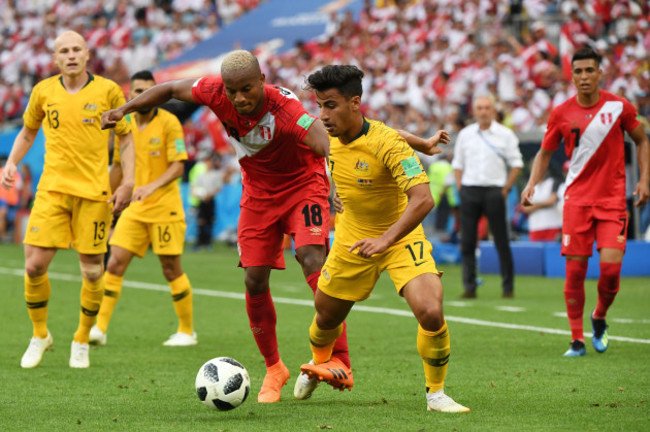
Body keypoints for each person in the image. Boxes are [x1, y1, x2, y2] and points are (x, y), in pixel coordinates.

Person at [101, 49, 348, 403]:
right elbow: (169, 88)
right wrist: (123, 109)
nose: (240, 98)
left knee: (311, 258)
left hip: (302, 184)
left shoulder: (285, 107)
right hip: (258, 192)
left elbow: (324, 142)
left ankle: (338, 358)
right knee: (253, 278)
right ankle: (275, 368)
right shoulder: (214, 91)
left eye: (247, 89)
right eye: (233, 91)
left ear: (262, 81)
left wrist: (334, 184)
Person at [298, 65, 469, 413]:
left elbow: (423, 199)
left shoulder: (385, 143)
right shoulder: (326, 133)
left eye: (330, 105)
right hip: (351, 237)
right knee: (326, 315)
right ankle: (318, 364)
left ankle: (435, 393)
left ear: (354, 103)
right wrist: (422, 141)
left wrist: (386, 239)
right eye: (319, 105)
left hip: (400, 236)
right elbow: (390, 132)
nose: (323, 115)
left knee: (431, 310)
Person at [0, 30, 135, 369]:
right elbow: (29, 130)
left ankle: (81, 339)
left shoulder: (108, 90)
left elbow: (127, 137)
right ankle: (39, 334)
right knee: (33, 266)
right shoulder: (43, 91)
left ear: (87, 54)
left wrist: (128, 181)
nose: (71, 55)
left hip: (93, 193)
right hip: (52, 190)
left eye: (77, 49)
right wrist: (12, 161)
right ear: (55, 59)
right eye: (64, 51)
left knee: (91, 272)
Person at [521, 47, 650, 357]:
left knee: (609, 270)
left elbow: (642, 140)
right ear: (572, 76)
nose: (583, 77)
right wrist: (531, 184)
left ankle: (600, 316)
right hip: (577, 201)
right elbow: (545, 152)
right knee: (575, 272)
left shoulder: (619, 107)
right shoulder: (561, 113)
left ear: (599, 73)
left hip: (612, 202)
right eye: (578, 72)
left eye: (589, 71)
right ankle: (577, 339)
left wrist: (644, 179)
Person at [89, 70, 196, 347]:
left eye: (148, 91)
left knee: (171, 269)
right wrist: (107, 198)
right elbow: (117, 166)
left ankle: (186, 331)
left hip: (165, 208)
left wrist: (151, 186)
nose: (142, 96)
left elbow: (178, 165)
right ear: (131, 95)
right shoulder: (125, 126)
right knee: (113, 263)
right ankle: (99, 329)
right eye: (137, 91)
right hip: (136, 209)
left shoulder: (170, 122)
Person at [452, 95, 523, 299]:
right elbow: (458, 164)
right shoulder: (465, 135)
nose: (483, 111)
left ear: (493, 110)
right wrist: (461, 188)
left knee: (501, 240)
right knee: (467, 241)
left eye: (487, 108)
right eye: (480, 108)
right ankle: (469, 286)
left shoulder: (505, 135)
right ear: (474, 111)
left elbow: (517, 163)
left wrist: (506, 189)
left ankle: (508, 287)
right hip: (470, 189)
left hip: (494, 190)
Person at [521, 172, 562, 241]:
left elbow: (552, 201)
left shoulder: (552, 182)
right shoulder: (528, 187)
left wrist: (533, 205)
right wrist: (545, 203)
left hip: (552, 226)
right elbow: (525, 208)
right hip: (535, 227)